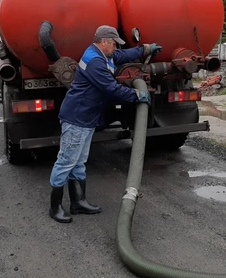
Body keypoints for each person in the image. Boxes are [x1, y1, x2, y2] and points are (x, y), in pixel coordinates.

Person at [48, 25, 162, 223]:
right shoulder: (95, 62)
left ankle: (78, 202)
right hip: (76, 117)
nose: (116, 48)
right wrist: (136, 95)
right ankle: (55, 207)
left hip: (87, 117)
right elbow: (111, 89)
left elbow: (122, 55)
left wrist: (144, 49)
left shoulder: (103, 55)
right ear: (104, 42)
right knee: (66, 161)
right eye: (114, 44)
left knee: (80, 161)